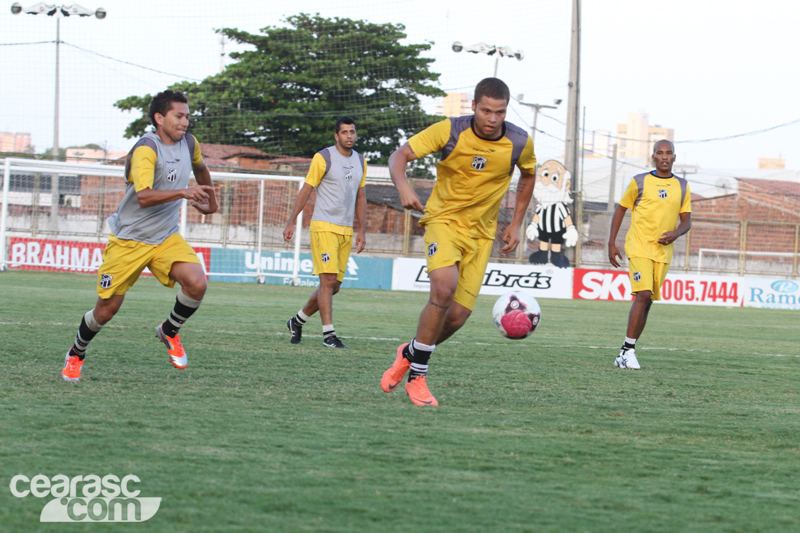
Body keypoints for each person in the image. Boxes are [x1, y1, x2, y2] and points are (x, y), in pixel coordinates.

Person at [381, 78, 537, 406]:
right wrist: (404, 187)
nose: (492, 119)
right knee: (443, 289)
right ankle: (418, 377)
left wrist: (517, 222)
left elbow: (529, 174)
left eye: (500, 112)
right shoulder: (450, 130)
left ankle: (409, 352)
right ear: (474, 107)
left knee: (457, 318)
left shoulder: (520, 142)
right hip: (443, 222)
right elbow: (399, 156)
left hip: (481, 235)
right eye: (486, 111)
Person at [61, 89, 218, 382]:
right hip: (129, 240)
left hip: (165, 237)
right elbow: (144, 197)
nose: (185, 122)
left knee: (197, 283)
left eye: (187, 116)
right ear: (160, 118)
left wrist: (212, 201)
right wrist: (184, 192)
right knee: (106, 311)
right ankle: (77, 352)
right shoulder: (147, 149)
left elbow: (201, 167)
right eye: (179, 116)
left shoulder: (189, 142)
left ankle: (168, 331)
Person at [283, 117, 367, 348]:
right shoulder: (324, 157)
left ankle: (297, 321)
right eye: (344, 132)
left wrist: (362, 230)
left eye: (352, 132)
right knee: (328, 280)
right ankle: (329, 335)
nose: (349, 136)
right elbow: (307, 189)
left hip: (346, 230)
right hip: (324, 226)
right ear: (336, 136)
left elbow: (361, 196)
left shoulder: (361, 160)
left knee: (334, 286)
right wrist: (291, 221)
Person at [608, 139, 691, 369]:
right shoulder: (640, 181)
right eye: (660, 153)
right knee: (643, 295)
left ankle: (626, 352)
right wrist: (611, 243)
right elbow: (621, 209)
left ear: (674, 157)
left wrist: (676, 233)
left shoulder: (682, 186)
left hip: (663, 252)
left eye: (669, 153)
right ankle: (627, 351)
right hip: (639, 246)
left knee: (648, 302)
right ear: (653, 157)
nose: (664, 157)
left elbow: (687, 220)